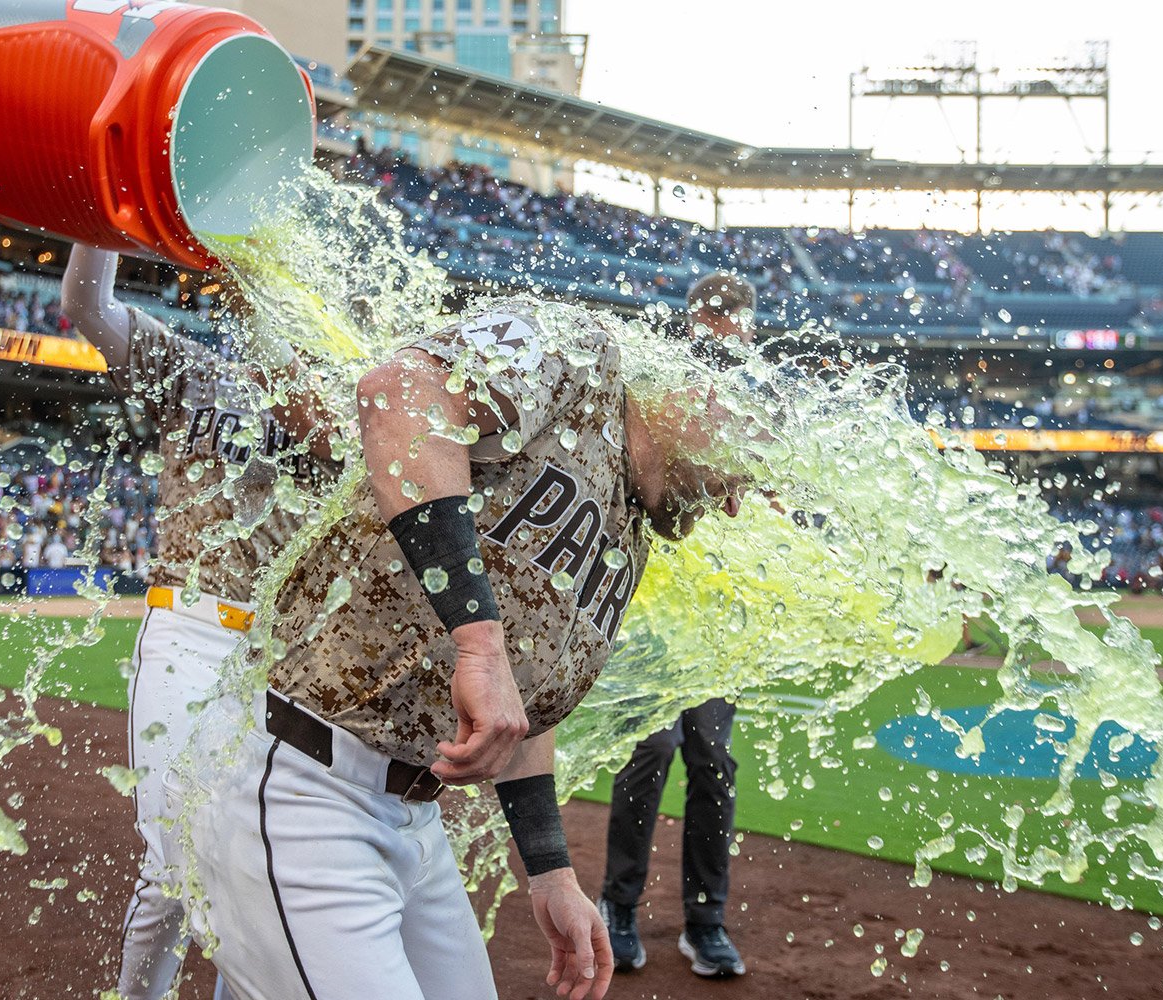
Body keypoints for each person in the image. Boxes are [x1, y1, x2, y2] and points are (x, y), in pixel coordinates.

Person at [170, 299, 750, 1000]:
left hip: (411, 815)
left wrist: (550, 868)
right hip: (302, 777)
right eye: (737, 472)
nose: (732, 503)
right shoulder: (581, 352)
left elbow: (527, 698)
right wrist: (480, 643)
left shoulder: (633, 531)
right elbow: (400, 394)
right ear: (703, 399)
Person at [62, 245, 333, 1000]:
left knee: (255, 863)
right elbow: (88, 307)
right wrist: (101, 223)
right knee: (176, 861)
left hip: (284, 656)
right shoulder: (195, 369)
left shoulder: (338, 409)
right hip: (191, 627)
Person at [598, 274, 755, 979]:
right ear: (694, 320)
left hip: (715, 614)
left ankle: (706, 922)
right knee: (651, 751)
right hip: (651, 604)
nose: (720, 333)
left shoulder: (754, 404)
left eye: (732, 322)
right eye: (711, 320)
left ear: (747, 328)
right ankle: (619, 907)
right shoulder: (659, 380)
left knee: (713, 764)